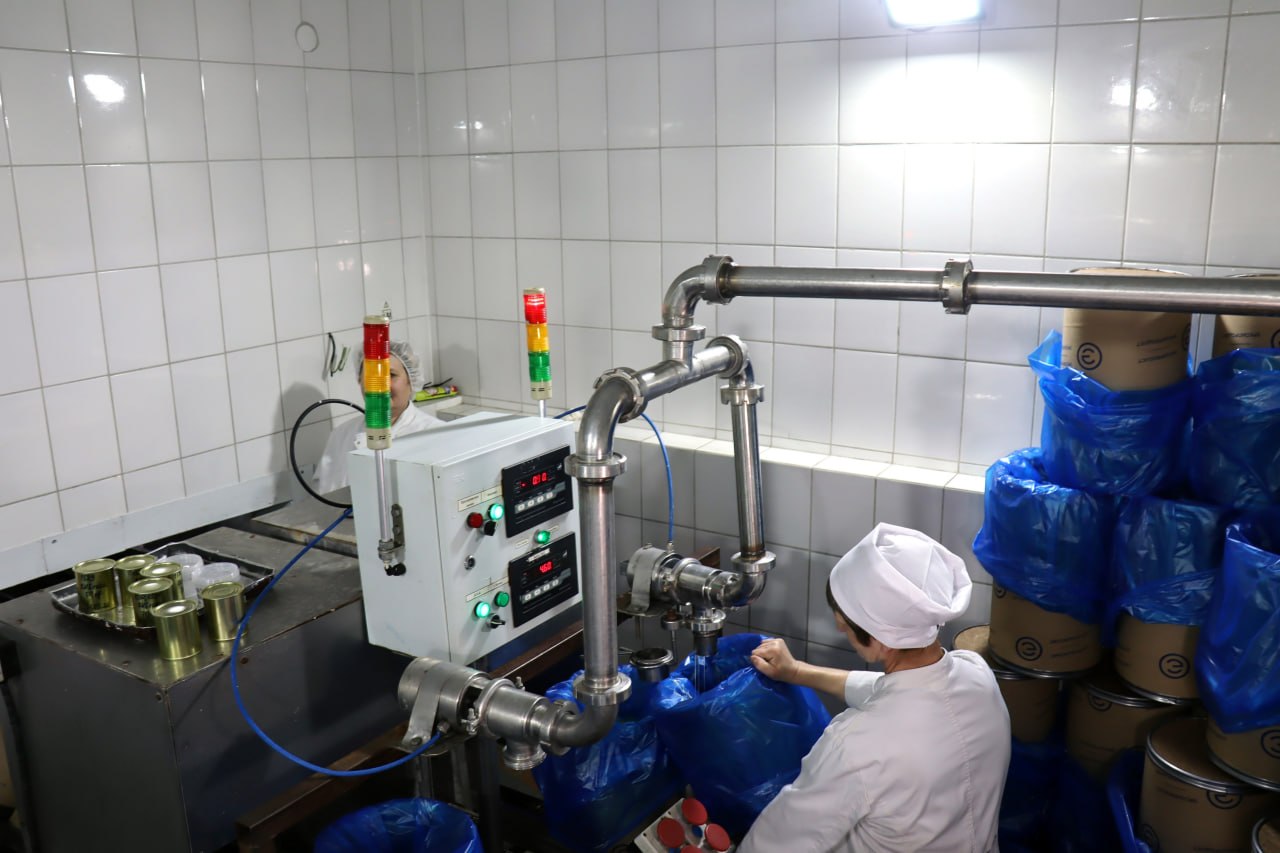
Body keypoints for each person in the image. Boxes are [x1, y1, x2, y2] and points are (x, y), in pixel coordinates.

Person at [738, 522, 1011, 853]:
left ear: (881, 639)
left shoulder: (857, 746)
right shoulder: (976, 674)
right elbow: (894, 694)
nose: (840, 628)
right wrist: (797, 671)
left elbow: (777, 842)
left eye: (845, 623)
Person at [313, 340, 443, 495]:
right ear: (360, 381)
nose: (380, 384)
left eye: (391, 375)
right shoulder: (341, 435)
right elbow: (325, 497)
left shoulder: (437, 435)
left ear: (411, 381)